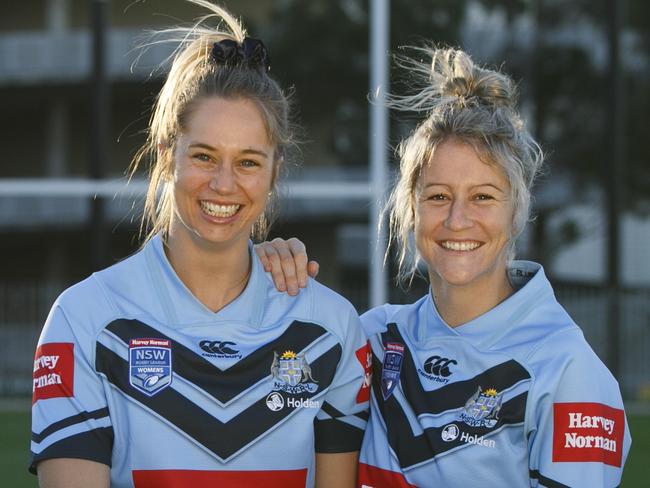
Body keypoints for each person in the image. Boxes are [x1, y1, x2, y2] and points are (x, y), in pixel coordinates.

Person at [255, 47, 631, 487]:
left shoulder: (566, 368)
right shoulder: (373, 339)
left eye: (483, 197)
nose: (457, 220)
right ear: (411, 210)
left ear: (517, 211)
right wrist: (260, 276)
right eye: (438, 196)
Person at [29, 2, 369, 487]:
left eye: (249, 162)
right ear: (168, 157)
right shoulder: (85, 319)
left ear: (275, 173)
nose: (224, 184)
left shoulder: (328, 328)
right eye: (205, 156)